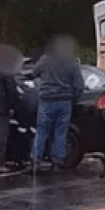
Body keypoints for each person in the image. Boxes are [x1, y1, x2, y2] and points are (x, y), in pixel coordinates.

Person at [32, 36, 85, 168]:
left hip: (46, 100)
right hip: (65, 101)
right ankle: (58, 160)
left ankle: (36, 159)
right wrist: (74, 100)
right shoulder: (71, 62)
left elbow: (34, 72)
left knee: (42, 130)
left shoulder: (45, 60)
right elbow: (79, 85)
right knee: (60, 131)